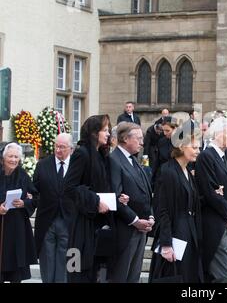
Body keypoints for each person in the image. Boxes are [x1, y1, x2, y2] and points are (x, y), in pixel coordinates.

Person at [64, 115, 114, 283]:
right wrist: (95, 201)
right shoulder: (81, 153)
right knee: (77, 269)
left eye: (108, 130)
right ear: (94, 133)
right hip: (80, 226)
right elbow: (69, 187)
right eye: (105, 130)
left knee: (99, 274)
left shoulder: (101, 155)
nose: (108, 134)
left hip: (98, 226)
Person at [149, 131, 203, 283]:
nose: (198, 151)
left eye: (199, 147)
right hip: (175, 234)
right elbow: (163, 209)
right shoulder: (167, 171)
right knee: (175, 276)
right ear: (181, 146)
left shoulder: (188, 172)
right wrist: (166, 244)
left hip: (189, 232)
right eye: (194, 147)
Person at [109, 122, 154, 283]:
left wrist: (150, 216)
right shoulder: (114, 160)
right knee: (121, 276)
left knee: (133, 277)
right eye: (139, 138)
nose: (142, 142)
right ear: (125, 139)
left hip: (141, 229)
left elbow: (146, 192)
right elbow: (116, 197)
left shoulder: (134, 160)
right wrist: (135, 221)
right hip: (125, 230)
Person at [195, 117, 227, 283]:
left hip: (226, 221)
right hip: (213, 222)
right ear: (218, 134)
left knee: (221, 272)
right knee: (222, 276)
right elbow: (210, 191)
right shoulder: (207, 156)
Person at [33, 133, 75, 283]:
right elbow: (34, 191)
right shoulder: (43, 164)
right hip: (47, 221)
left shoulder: (78, 166)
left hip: (70, 222)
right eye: (56, 146)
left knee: (68, 261)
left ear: (71, 149)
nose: (58, 150)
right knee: (47, 260)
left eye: (62, 147)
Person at [0, 143, 37, 283]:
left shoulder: (23, 175)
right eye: (10, 156)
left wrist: (24, 203)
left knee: (16, 274)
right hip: (2, 226)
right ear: (3, 158)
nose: (13, 160)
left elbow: (35, 197)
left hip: (17, 229)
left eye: (16, 157)